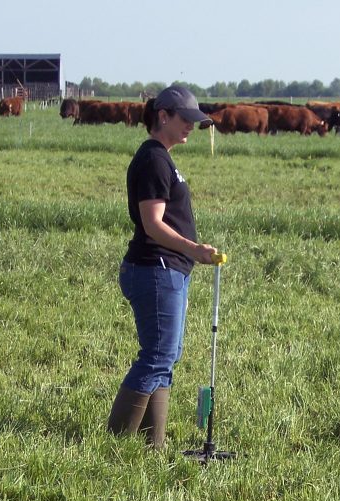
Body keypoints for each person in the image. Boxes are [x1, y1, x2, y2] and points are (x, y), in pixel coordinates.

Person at [107, 85, 219, 447]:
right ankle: (118, 442)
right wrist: (194, 248)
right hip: (155, 268)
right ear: (163, 116)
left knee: (167, 354)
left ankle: (152, 443)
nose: (190, 126)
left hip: (167, 269)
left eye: (194, 121)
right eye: (184, 119)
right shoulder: (154, 158)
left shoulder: (161, 156)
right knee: (157, 354)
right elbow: (153, 223)